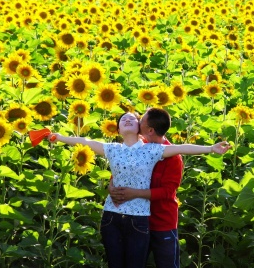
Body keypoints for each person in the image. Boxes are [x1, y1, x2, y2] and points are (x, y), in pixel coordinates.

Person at [48, 111, 231, 268]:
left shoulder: (152, 149)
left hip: (140, 218)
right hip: (111, 216)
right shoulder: (113, 149)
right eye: (123, 119)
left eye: (133, 119)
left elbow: (181, 148)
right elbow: (85, 141)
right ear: (118, 130)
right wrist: (59, 137)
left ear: (141, 129)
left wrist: (211, 148)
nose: (128, 120)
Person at [109, 107, 184, 268]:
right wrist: (111, 186)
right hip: (135, 220)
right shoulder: (139, 146)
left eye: (141, 120)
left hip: (161, 222)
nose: (137, 121)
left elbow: (167, 192)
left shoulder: (173, 157)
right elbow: (121, 170)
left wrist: (134, 193)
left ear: (150, 130)